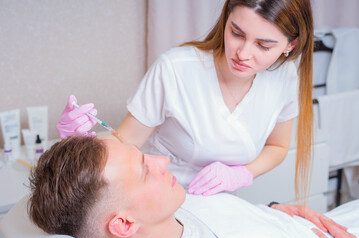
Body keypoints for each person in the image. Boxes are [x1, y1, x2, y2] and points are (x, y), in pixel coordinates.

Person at [56, 0, 314, 198]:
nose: (243, 53)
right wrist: (75, 142)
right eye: (236, 33)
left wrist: (242, 174)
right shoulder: (175, 69)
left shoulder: (285, 77)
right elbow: (126, 140)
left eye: (263, 45)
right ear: (226, 20)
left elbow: (278, 147)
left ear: (291, 45)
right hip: (159, 199)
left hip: (220, 203)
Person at [28, 136, 357, 238]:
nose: (162, 161)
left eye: (145, 155)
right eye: (145, 171)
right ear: (123, 224)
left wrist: (272, 211)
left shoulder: (171, 206)